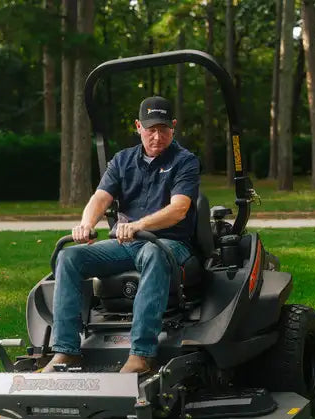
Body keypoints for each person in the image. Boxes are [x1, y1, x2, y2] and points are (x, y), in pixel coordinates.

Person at [42, 96, 200, 375]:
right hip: (126, 244)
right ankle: (66, 351)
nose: (157, 136)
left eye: (163, 128)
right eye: (150, 129)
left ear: (173, 127)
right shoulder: (122, 160)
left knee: (153, 252)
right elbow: (100, 197)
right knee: (69, 257)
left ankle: (141, 355)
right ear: (138, 126)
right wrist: (86, 224)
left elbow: (179, 209)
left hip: (171, 244)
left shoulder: (185, 161)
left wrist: (139, 225)